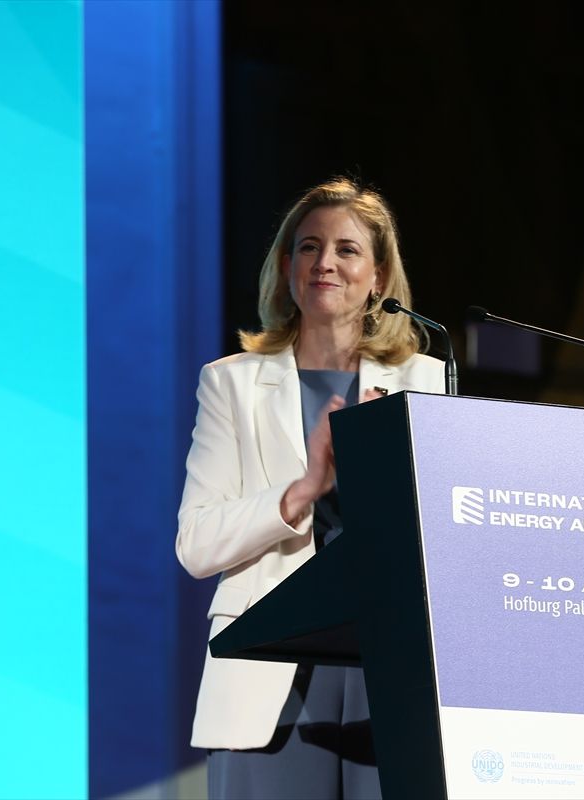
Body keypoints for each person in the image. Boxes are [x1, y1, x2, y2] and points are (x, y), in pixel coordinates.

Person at [176, 177, 445, 799]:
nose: (325, 262)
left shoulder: (426, 381)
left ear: (379, 277)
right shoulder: (232, 383)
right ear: (286, 267)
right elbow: (196, 544)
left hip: (392, 665)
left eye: (347, 250)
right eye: (308, 247)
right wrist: (304, 489)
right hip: (271, 664)